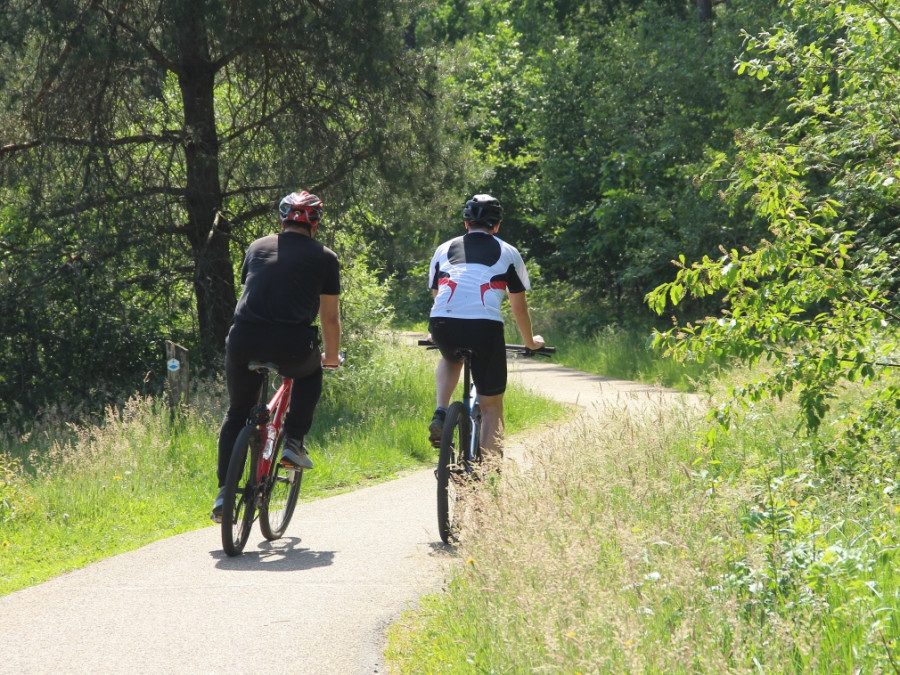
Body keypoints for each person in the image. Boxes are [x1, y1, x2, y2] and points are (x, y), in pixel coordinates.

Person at [212, 190, 342, 522]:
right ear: (315, 224)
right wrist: (330, 356)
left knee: (238, 411)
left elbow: (252, 286)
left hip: (243, 339)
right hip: (292, 343)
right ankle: (294, 442)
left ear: (282, 220)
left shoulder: (257, 246)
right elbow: (329, 318)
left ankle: (225, 493)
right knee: (311, 373)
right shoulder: (326, 257)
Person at [427, 193, 545, 460]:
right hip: (484, 327)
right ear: (497, 225)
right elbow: (520, 308)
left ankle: (441, 410)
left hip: (443, 321)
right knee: (492, 406)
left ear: (466, 223)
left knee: (450, 356)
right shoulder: (509, 252)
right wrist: (530, 342)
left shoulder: (443, 249)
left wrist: (436, 332)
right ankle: (489, 478)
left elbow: (439, 293)